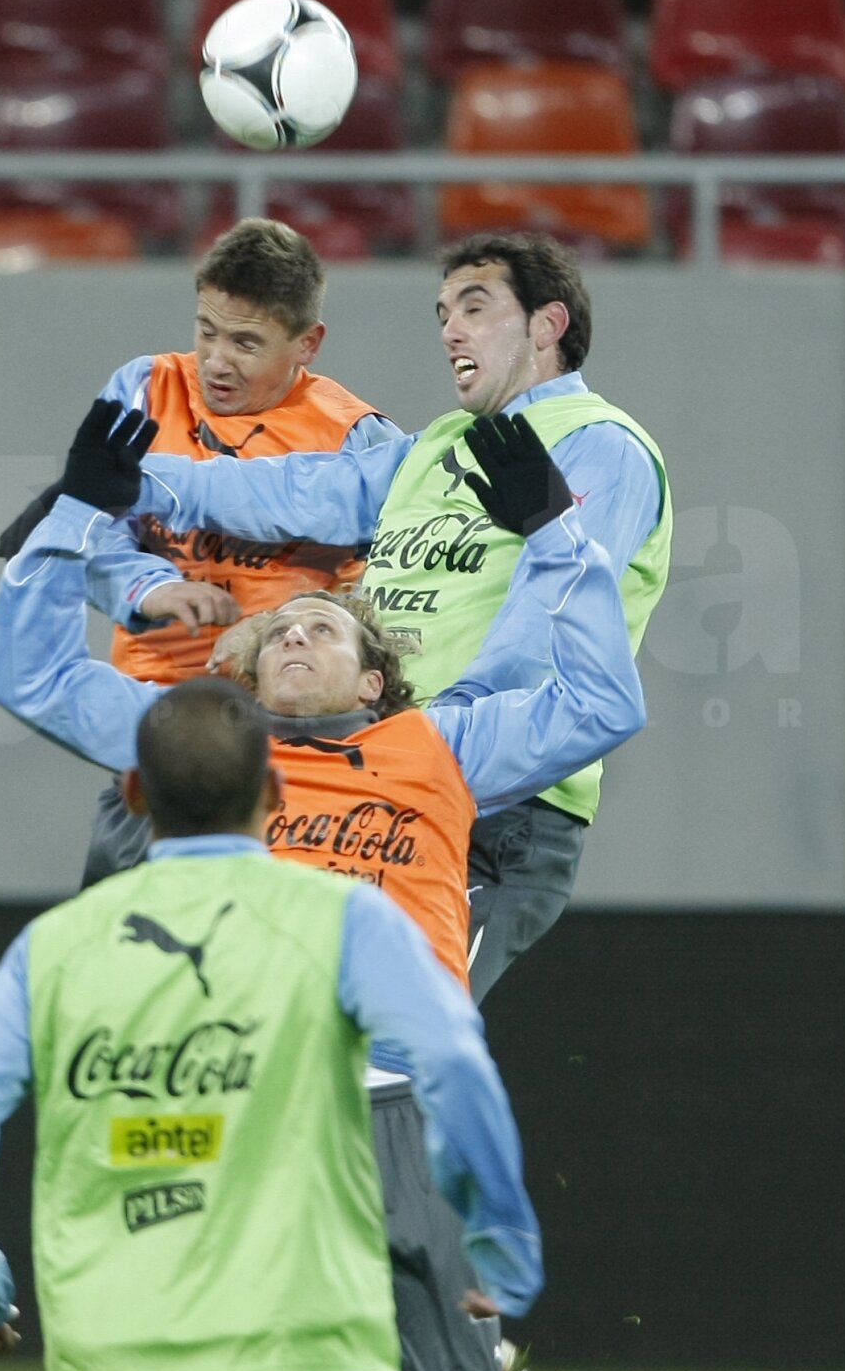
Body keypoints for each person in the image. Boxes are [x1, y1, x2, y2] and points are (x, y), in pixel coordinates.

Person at [0, 402, 644, 1371]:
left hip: (396, 1098)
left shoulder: (442, 746)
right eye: (277, 632)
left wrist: (555, 531)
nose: (293, 637)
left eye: (322, 628)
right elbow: (29, 677)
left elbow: (603, 703)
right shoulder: (201, 751)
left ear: (377, 679)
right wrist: (78, 514)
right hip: (239, 1098)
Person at [0, 676, 544, 1371]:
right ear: (275, 788)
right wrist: (499, 1229)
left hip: (118, 1349)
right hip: (316, 1342)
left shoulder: (53, 948)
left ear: (136, 793)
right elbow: (453, 1062)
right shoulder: (349, 919)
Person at [107, 231, 674, 1002]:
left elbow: (547, 637)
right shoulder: (438, 443)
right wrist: (130, 477)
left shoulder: (604, 448)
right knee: (280, 1022)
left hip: (492, 802)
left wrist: (428, 749)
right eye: (443, 311)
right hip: (380, 774)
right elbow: (286, 492)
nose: (450, 329)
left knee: (393, 1038)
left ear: (548, 324)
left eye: (475, 307)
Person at [0, 216, 400, 887]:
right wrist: (144, 586)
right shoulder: (144, 388)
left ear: (308, 344)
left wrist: (271, 628)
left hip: (289, 757)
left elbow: (384, 595)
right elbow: (85, 518)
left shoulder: (358, 439)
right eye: (206, 330)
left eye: (246, 341)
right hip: (154, 737)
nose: (216, 359)